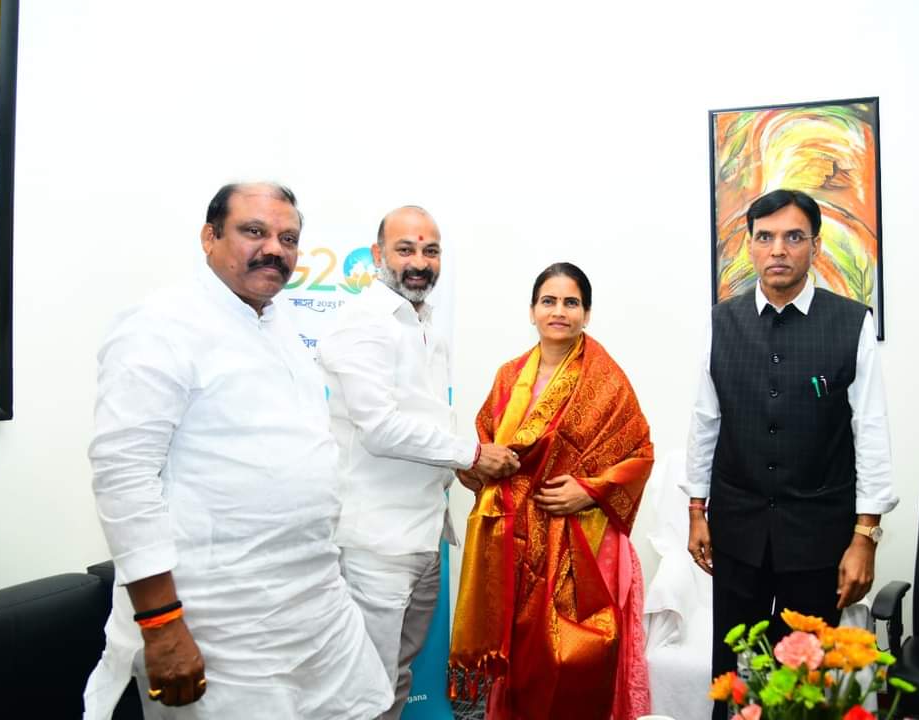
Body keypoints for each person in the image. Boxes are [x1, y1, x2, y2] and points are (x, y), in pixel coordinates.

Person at [83, 183, 392, 719]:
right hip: (219, 621)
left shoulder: (276, 320)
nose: (275, 248)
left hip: (315, 606)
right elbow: (123, 477)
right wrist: (161, 625)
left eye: (288, 238)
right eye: (254, 231)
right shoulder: (159, 325)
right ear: (209, 237)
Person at [681, 189, 898, 720]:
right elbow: (705, 421)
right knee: (732, 673)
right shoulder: (720, 322)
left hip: (818, 535)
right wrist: (695, 511)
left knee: (806, 676)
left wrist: (864, 536)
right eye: (765, 237)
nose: (778, 249)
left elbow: (870, 432)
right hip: (737, 528)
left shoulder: (851, 323)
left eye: (793, 237)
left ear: (814, 247)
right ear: (750, 247)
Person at [316, 205, 519, 720]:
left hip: (425, 535)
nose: (419, 262)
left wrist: (459, 466)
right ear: (378, 254)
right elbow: (381, 428)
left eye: (431, 250)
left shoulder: (427, 326)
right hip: (375, 544)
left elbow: (425, 424)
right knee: (366, 687)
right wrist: (472, 453)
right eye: (406, 249)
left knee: (398, 675)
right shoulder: (363, 324)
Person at [450, 262, 654, 720]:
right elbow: (488, 444)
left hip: (582, 541)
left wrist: (590, 490)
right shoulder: (509, 376)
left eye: (570, 302)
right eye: (549, 301)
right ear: (532, 311)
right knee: (521, 657)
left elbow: (639, 453)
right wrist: (475, 467)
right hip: (516, 543)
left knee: (576, 655)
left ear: (586, 313)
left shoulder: (606, 379)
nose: (559, 311)